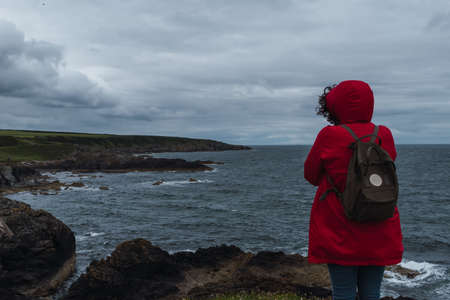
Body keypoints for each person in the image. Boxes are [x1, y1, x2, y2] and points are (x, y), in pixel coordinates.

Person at [304, 80, 403, 300]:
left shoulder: (329, 136)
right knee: (371, 293)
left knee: (343, 292)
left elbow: (310, 175)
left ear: (334, 106)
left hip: (339, 226)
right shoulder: (383, 134)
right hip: (379, 224)